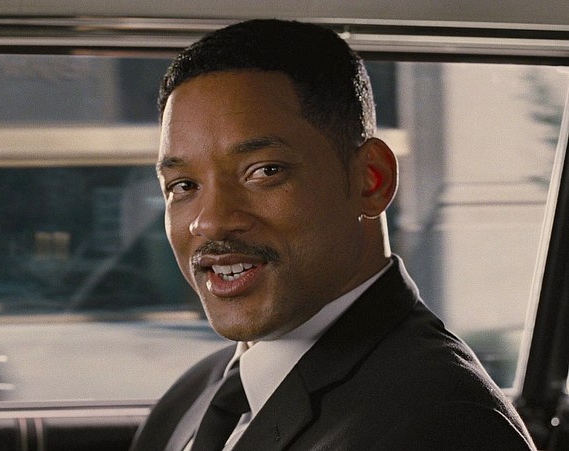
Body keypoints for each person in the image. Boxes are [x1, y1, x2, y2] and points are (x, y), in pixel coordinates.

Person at [130, 19, 535, 451]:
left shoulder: (448, 425)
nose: (209, 222)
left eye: (264, 171)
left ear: (371, 180)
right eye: (183, 186)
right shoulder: (192, 395)